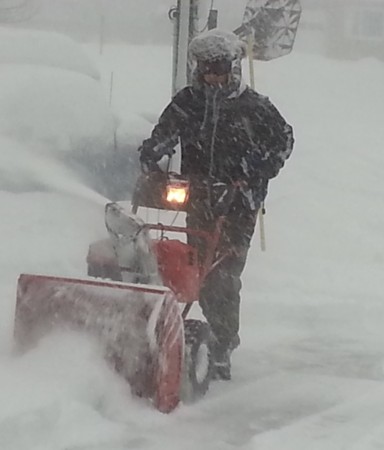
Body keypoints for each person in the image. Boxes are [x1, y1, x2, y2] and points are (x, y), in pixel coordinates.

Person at [138, 29, 293, 380]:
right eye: (207, 67)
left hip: (239, 201)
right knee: (192, 266)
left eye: (219, 67)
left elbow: (283, 141)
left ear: (233, 67)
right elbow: (166, 131)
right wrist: (153, 151)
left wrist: (256, 168)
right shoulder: (187, 102)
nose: (213, 75)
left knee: (221, 275)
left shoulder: (254, 106)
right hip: (199, 194)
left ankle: (222, 344)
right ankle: (168, 325)